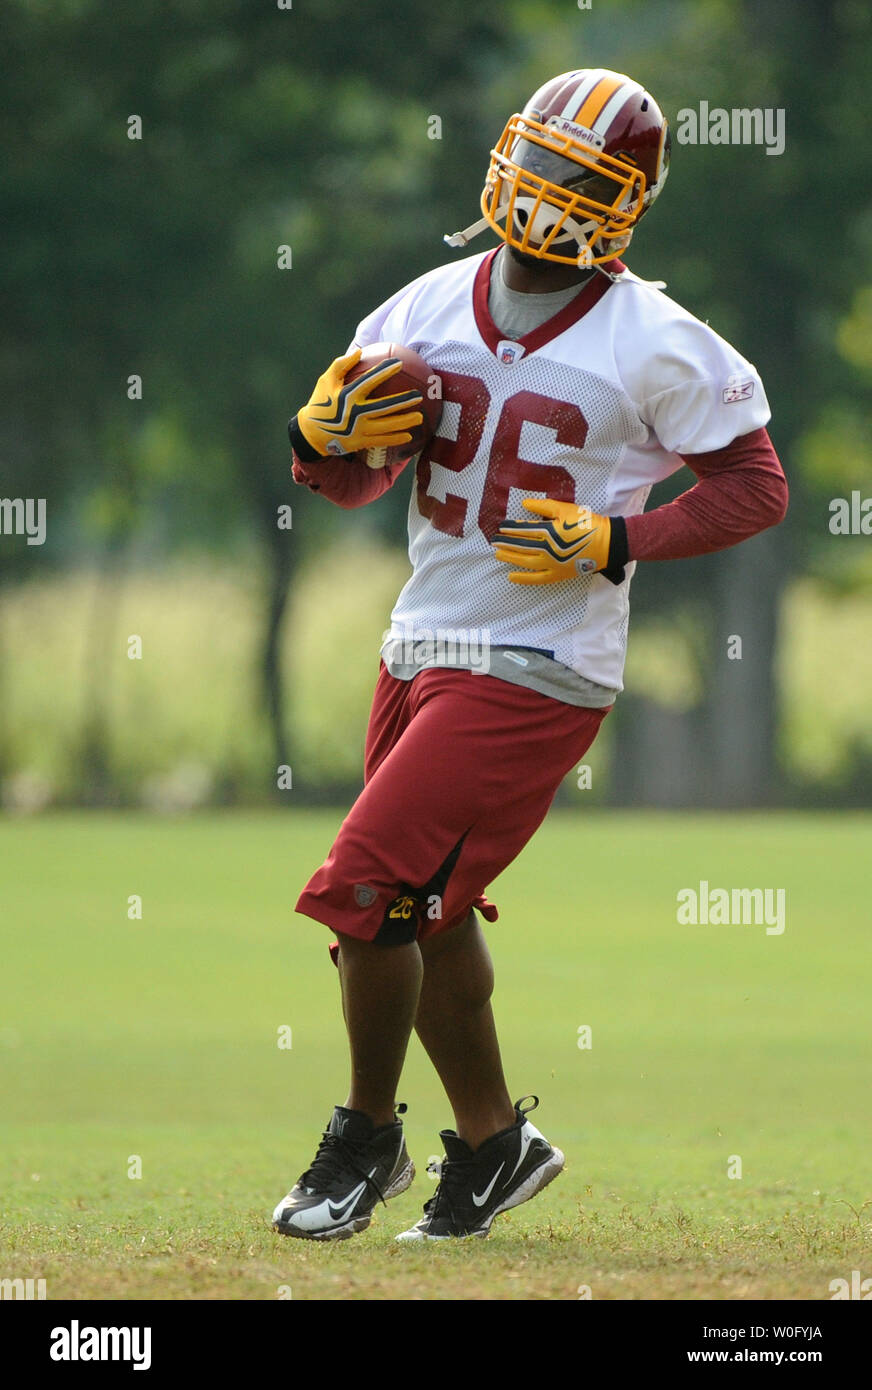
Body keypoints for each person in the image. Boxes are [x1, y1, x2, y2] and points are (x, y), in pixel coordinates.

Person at [272, 68, 788, 1243]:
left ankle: (363, 1142)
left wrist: (616, 537)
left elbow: (754, 487)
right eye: (537, 159)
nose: (545, 190)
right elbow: (350, 478)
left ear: (625, 207)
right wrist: (314, 440)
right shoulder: (419, 307)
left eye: (578, 177)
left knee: (366, 889)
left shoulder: (657, 339)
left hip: (538, 662)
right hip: (421, 640)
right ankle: (497, 1144)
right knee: (429, 910)